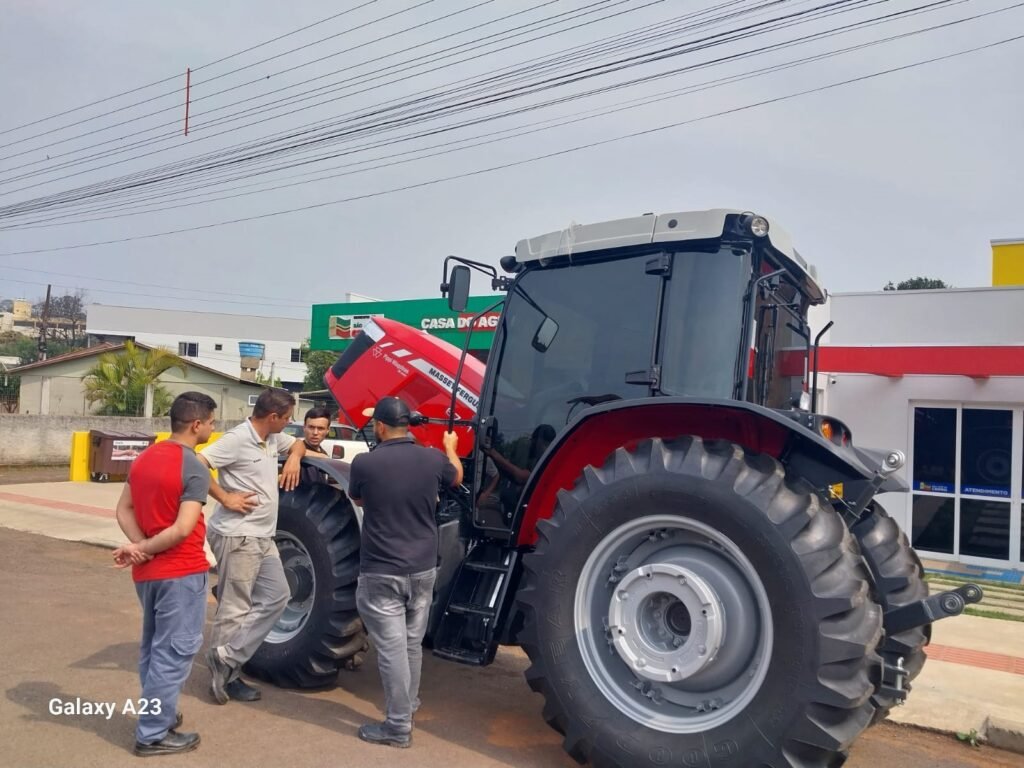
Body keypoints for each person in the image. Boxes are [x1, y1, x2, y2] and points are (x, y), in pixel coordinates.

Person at [348, 396, 462, 748]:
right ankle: (407, 706)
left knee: (392, 650)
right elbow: (456, 479)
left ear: (380, 426)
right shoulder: (433, 459)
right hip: (423, 569)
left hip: (383, 571)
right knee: (411, 645)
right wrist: (451, 447)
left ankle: (398, 727)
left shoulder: (365, 463)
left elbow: (360, 500)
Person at [112, 391, 218, 757]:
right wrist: (144, 548)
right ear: (196, 424)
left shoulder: (145, 458)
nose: (213, 428)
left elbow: (123, 509)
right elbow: (183, 528)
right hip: (181, 573)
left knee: (155, 648)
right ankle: (153, 733)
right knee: (174, 652)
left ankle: (161, 713)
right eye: (211, 422)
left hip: (148, 575)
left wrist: (139, 546)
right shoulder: (194, 466)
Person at [198, 388, 305, 705]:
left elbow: (299, 443)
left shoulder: (272, 438)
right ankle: (225, 679)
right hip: (237, 534)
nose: (289, 423)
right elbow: (196, 463)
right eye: (286, 418)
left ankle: (227, 656)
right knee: (234, 608)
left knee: (277, 596)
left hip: (263, 536)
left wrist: (295, 459)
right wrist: (225, 497)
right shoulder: (237, 439)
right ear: (272, 417)